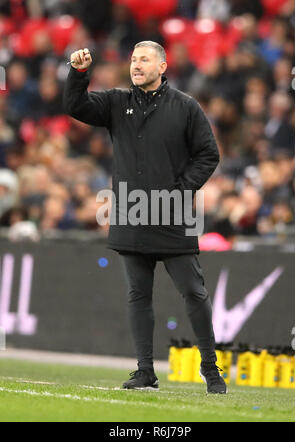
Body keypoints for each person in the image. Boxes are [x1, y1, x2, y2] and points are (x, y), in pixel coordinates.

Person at [63, 41, 226, 394]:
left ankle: (211, 370)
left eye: (145, 59)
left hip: (172, 216)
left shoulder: (185, 107)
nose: (137, 64)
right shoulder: (116, 102)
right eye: (134, 59)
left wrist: (182, 190)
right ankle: (145, 370)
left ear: (163, 66)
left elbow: (208, 154)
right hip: (131, 213)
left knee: (194, 292)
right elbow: (75, 105)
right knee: (138, 295)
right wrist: (78, 73)